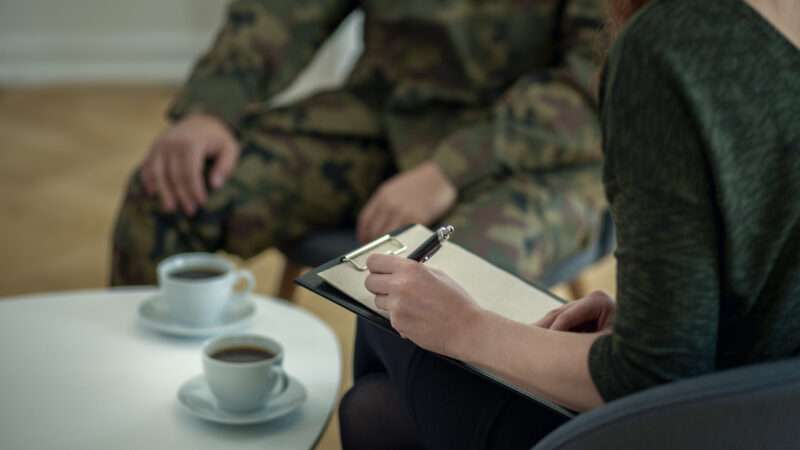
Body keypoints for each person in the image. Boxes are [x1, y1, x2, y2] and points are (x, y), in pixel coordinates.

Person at [340, 0, 800, 448]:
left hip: (701, 421)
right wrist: (653, 313)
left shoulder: (672, 44)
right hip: (771, 413)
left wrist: (465, 326)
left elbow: (649, 375)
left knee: (382, 323)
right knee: (376, 409)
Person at [109, 0, 608, 286]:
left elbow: (600, 79)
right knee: (171, 191)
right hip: (388, 114)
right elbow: (283, 11)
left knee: (446, 290)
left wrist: (450, 168)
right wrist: (211, 107)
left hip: (543, 150)